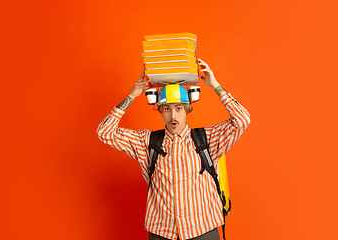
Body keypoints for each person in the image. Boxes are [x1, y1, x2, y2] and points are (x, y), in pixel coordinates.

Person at [96, 59, 251, 240]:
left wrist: (215, 85)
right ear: (160, 110)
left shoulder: (207, 139)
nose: (173, 115)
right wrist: (132, 95)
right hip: (162, 233)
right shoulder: (147, 142)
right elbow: (104, 132)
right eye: (167, 109)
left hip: (203, 230)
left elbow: (242, 119)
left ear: (186, 109)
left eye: (178, 108)